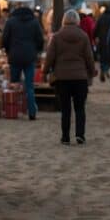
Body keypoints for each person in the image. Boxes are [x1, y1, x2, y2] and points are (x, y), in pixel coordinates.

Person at [44, 10, 96, 145]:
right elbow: (89, 57)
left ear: (64, 20)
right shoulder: (83, 36)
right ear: (77, 21)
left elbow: (50, 57)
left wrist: (45, 71)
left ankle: (65, 136)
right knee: (80, 108)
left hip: (62, 78)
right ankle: (80, 135)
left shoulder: (56, 37)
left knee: (65, 109)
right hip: (80, 77)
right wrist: (92, 71)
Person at [2, 6, 45, 120]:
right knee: (29, 86)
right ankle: (32, 112)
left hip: (15, 56)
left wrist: (8, 50)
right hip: (30, 56)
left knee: (14, 84)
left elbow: (4, 39)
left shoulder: (11, 22)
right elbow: (40, 39)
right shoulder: (34, 22)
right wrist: (37, 50)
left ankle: (13, 111)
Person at [93, 5, 110, 86]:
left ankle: (104, 70)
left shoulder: (101, 18)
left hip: (102, 41)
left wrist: (95, 36)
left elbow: (95, 29)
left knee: (103, 58)